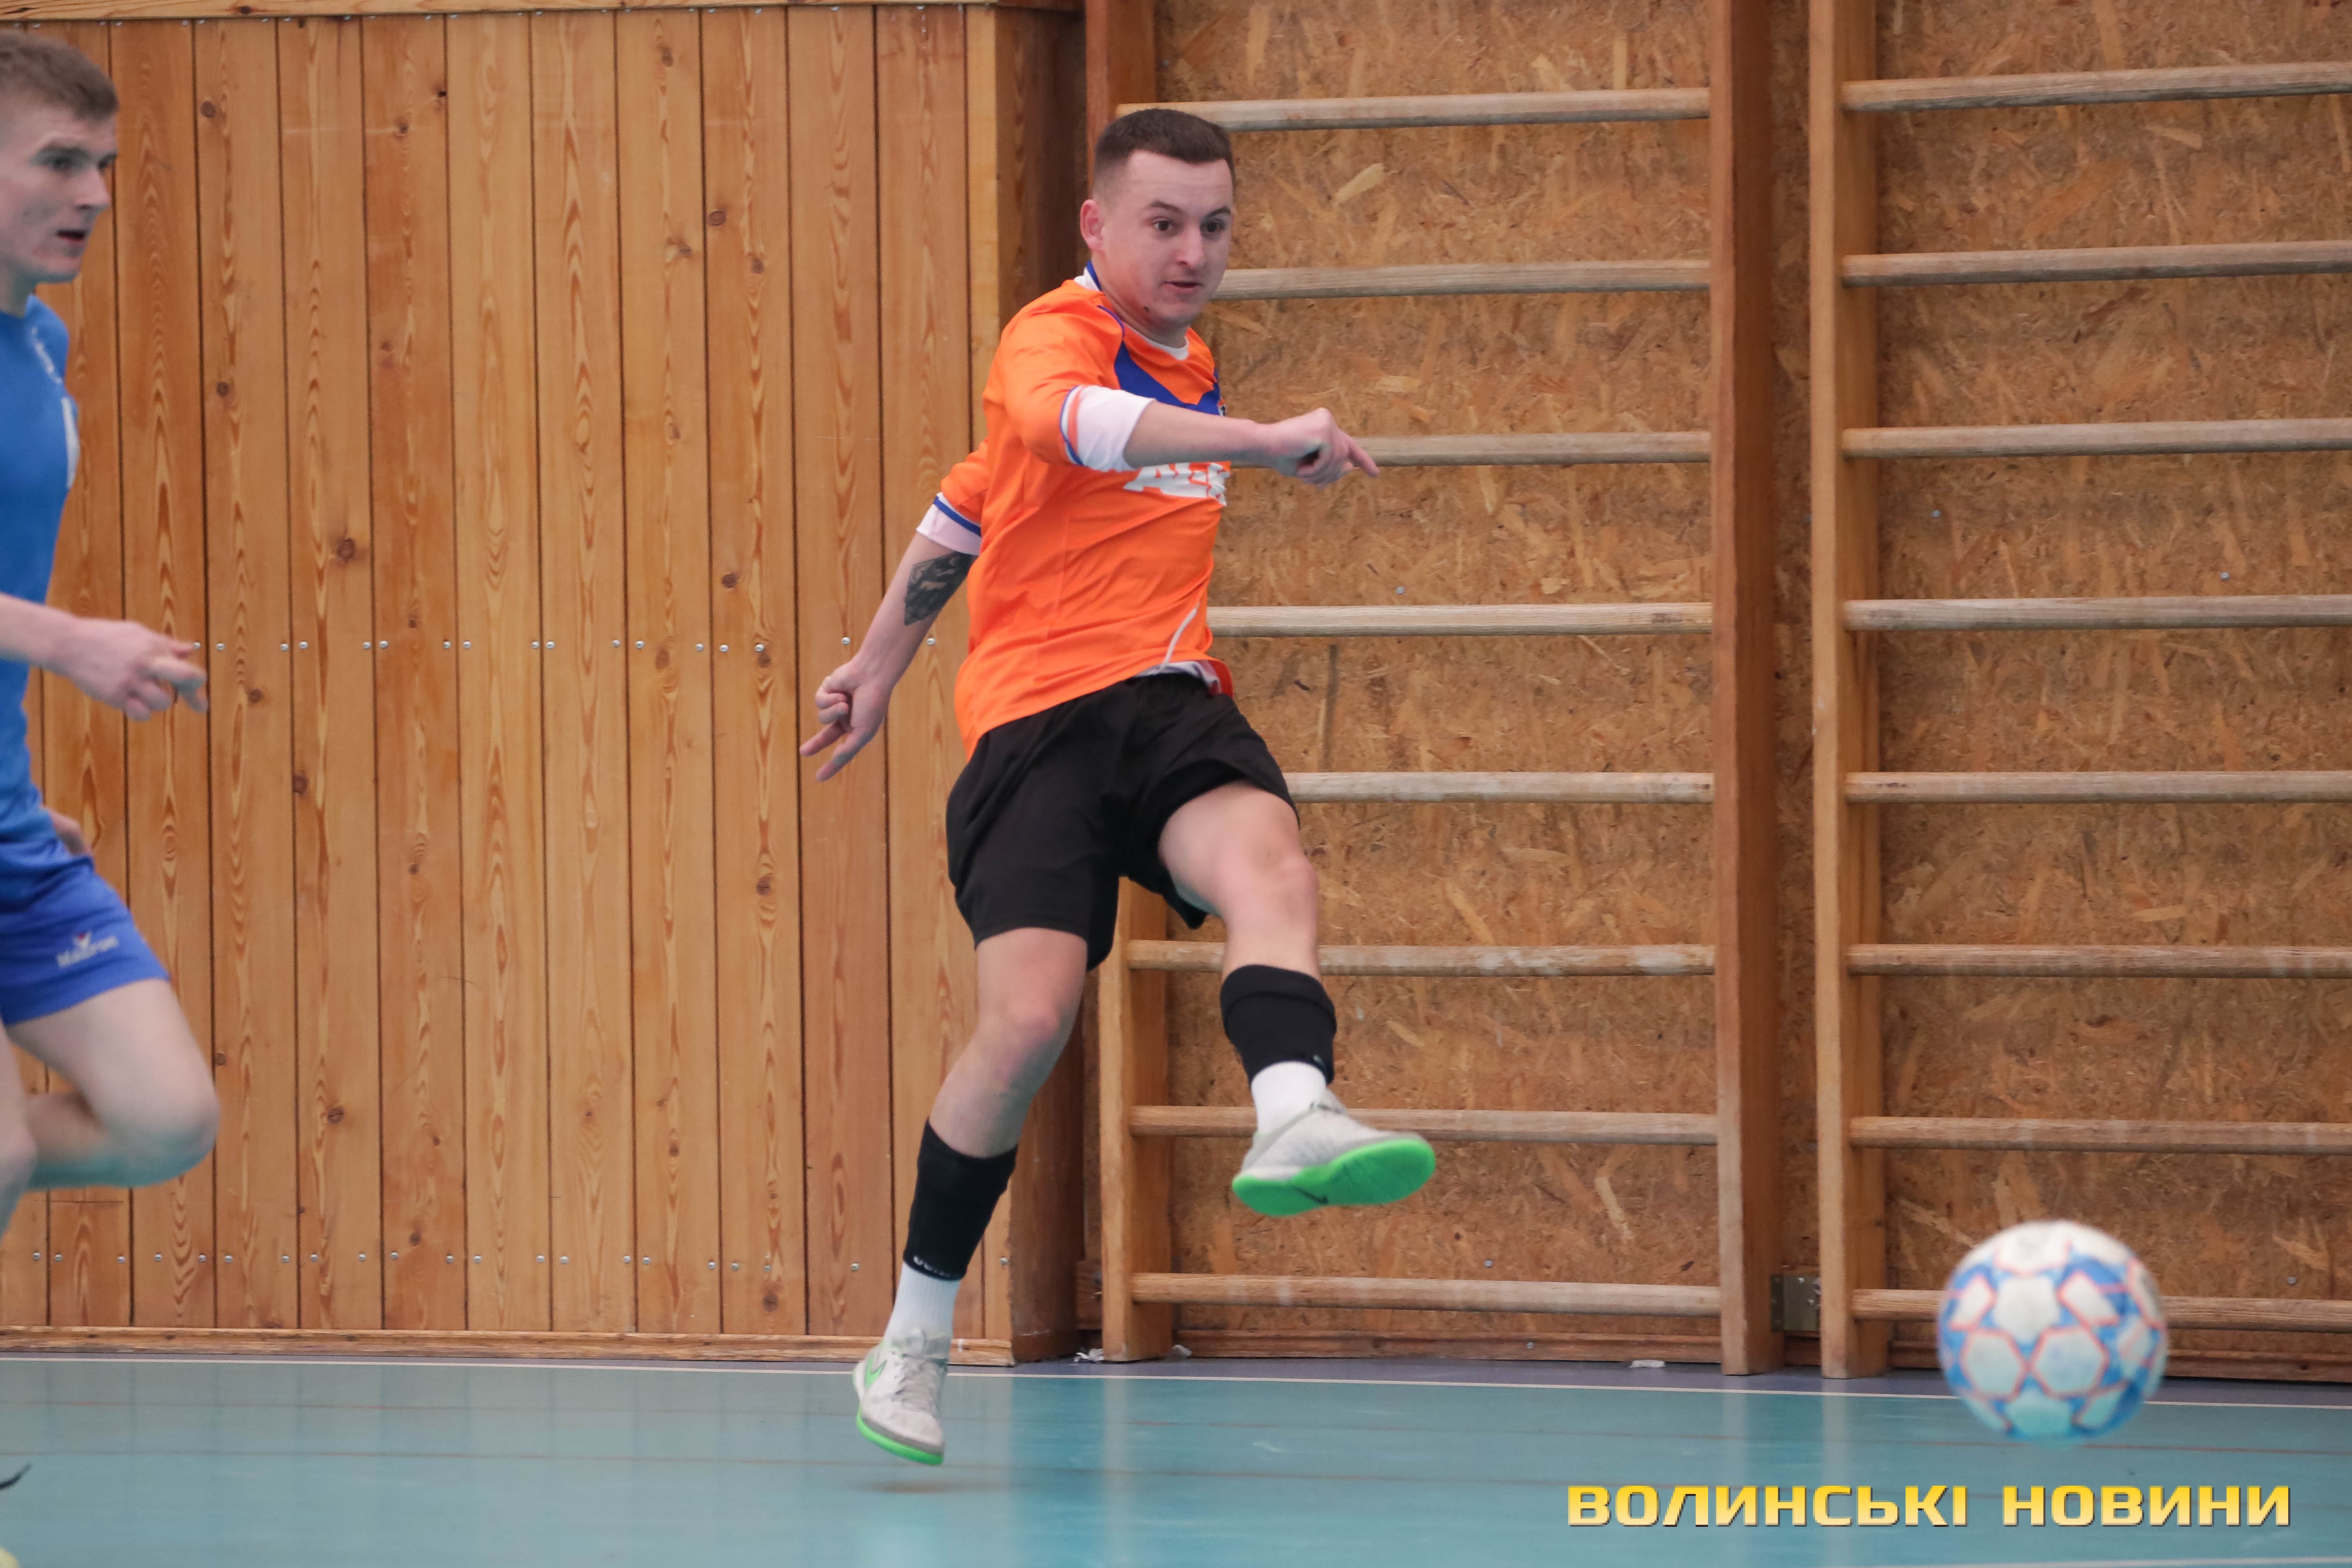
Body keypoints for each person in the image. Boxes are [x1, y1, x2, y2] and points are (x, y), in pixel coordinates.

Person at [802, 108, 1436, 1466]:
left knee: (1272, 871)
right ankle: (914, 1333)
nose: (1192, 250)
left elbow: (968, 502)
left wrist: (875, 660)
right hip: (1035, 726)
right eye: (1162, 223)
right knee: (1027, 1022)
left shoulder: (1191, 364)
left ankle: (1291, 1111)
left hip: (1167, 702)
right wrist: (1263, 440)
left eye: (1215, 225)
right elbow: (1067, 430)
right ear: (1098, 225)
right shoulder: (1052, 338)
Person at [0, 35, 219, 1311]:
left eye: (104, 166)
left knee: (162, 1118)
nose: (91, 195)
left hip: (12, 833)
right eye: (57, 162)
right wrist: (72, 640)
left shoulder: (40, 344)